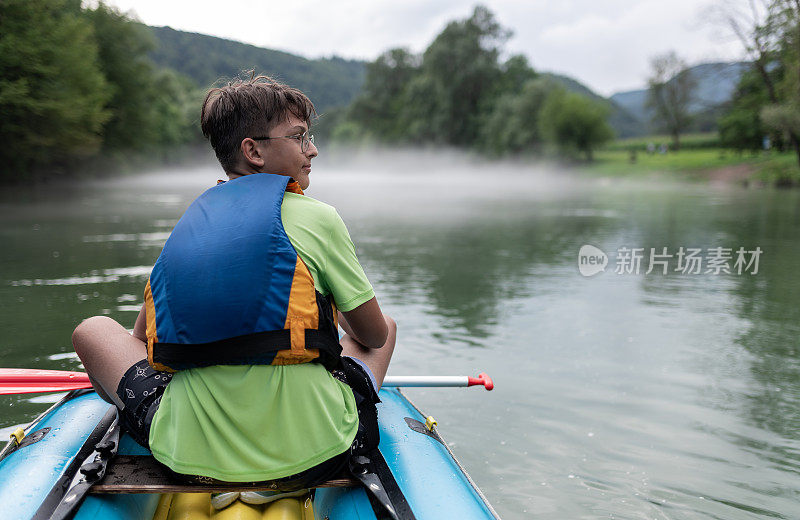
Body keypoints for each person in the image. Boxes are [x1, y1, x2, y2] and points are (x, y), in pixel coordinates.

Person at [72, 74, 396, 504]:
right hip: (317, 454)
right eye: (299, 137)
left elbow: (141, 342)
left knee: (93, 329)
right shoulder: (319, 218)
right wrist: (321, 308)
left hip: (187, 458)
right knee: (386, 325)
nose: (312, 149)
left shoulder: (190, 225)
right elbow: (372, 336)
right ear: (253, 150)